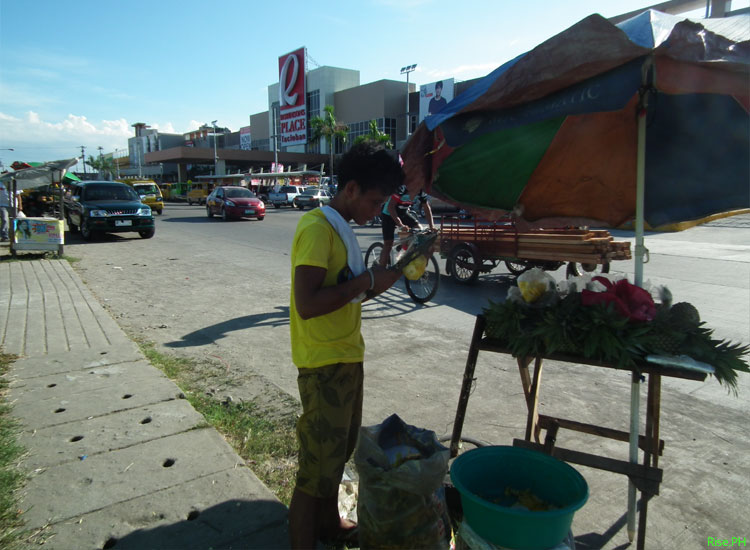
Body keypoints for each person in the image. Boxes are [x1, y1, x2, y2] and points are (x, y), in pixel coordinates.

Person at [288, 141, 404, 549]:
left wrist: (376, 280)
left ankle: (329, 526)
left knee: (336, 455)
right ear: (351, 188)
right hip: (324, 363)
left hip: (345, 355)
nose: (377, 211)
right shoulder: (318, 228)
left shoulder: (341, 228)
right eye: (375, 201)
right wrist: (366, 282)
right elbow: (307, 303)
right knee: (315, 468)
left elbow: (346, 292)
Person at [378, 183, 435, 268]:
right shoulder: (401, 188)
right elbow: (390, 207)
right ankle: (380, 270)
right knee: (388, 245)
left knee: (419, 231)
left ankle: (402, 247)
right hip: (388, 214)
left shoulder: (421, 191)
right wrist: (400, 225)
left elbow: (426, 208)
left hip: (403, 213)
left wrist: (432, 226)